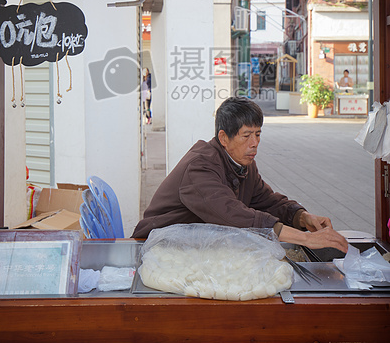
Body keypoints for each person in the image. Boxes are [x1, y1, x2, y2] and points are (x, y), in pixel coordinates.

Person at [132, 96, 348, 254]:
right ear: (223, 138)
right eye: (246, 136)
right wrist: (305, 239)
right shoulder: (200, 167)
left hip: (194, 246)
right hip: (157, 248)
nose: (254, 143)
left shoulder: (244, 163)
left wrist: (301, 217)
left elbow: (267, 201)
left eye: (258, 134)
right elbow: (232, 215)